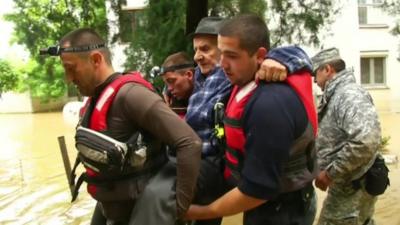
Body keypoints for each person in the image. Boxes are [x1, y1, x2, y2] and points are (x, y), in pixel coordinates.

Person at [129, 16, 316, 225]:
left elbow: (258, 189)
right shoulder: (216, 76)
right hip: (257, 198)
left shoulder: (266, 101)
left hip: (282, 207)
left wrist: (282, 59)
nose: (200, 57)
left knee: (159, 193)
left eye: (208, 49)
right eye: (196, 50)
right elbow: (182, 76)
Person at [41, 28, 202, 224]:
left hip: (142, 211)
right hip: (111, 209)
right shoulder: (94, 99)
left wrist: (179, 208)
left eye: (71, 68)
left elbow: (189, 143)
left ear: (96, 59)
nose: (68, 78)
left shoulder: (132, 95)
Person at [185, 14, 318, 225]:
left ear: (260, 56)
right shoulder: (241, 79)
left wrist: (199, 212)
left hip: (283, 211)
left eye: (231, 56)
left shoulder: (269, 104)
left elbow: (258, 189)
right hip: (265, 206)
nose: (223, 64)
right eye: (221, 54)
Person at [311, 48, 382, 225]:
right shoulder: (337, 95)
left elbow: (366, 141)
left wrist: (330, 173)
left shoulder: (348, 95)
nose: (314, 80)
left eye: (315, 73)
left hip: (352, 188)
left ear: (327, 69)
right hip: (347, 186)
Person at [159, 51, 195, 118]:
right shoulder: (171, 99)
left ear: (189, 75)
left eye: (171, 81)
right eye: (166, 84)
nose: (169, 88)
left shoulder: (209, 92)